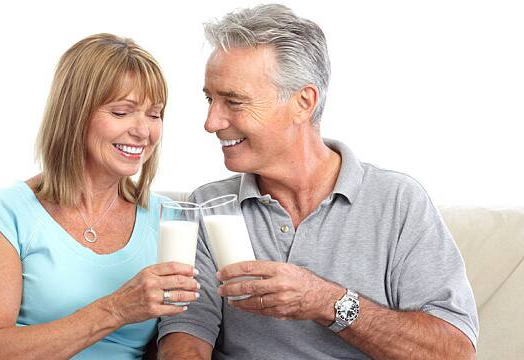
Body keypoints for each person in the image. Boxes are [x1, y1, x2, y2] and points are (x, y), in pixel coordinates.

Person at [158, 4, 478, 359]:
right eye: (210, 98)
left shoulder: (397, 202)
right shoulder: (209, 206)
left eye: (233, 101)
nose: (211, 121)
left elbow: (454, 351)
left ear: (303, 102)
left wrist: (325, 300)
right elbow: (185, 338)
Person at [0, 33, 199, 359]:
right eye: (122, 112)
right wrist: (116, 309)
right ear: (75, 114)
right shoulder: (8, 212)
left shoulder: (171, 219)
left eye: (154, 114)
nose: (143, 131)